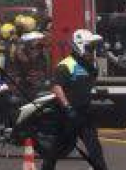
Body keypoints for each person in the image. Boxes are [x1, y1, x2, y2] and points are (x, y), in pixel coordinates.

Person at [43, 29, 108, 170]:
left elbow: (88, 84)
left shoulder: (91, 66)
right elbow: (57, 87)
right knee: (57, 147)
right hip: (67, 114)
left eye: (93, 48)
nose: (92, 51)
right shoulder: (66, 65)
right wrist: (67, 107)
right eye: (89, 48)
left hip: (85, 113)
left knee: (94, 147)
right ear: (80, 46)